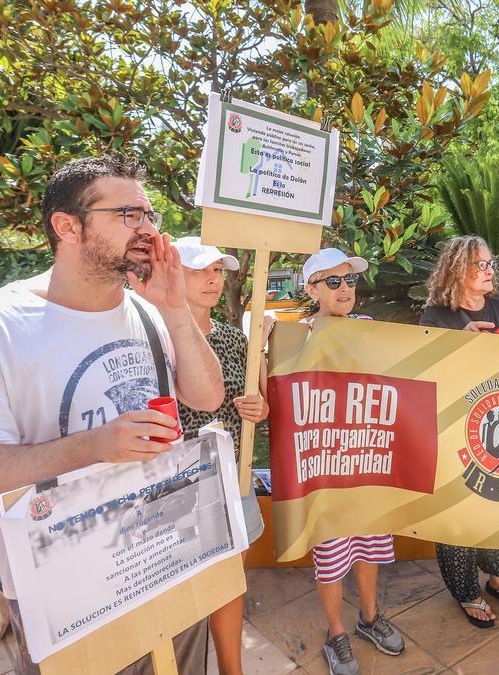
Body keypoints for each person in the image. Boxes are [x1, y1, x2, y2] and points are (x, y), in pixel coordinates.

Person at [0, 155, 226, 675]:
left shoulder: (148, 311)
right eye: (128, 214)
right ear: (67, 225)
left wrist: (174, 309)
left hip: (166, 557)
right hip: (65, 594)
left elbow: (208, 397)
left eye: (150, 215)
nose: (148, 230)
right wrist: (93, 445)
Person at [295, 247, 406, 675]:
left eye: (351, 280)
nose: (345, 289)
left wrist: (467, 335)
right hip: (325, 464)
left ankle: (369, 617)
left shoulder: (370, 328)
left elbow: (415, 363)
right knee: (331, 551)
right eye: (334, 281)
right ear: (312, 289)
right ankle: (336, 633)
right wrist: (270, 333)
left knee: (370, 544)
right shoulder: (298, 335)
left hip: (368, 456)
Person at [419, 235, 499, 630]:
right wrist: (459, 345)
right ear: (456, 269)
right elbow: (426, 377)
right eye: (480, 264)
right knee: (456, 516)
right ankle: (466, 591)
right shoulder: (435, 316)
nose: (489, 270)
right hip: (454, 433)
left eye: (490, 263)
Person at [172, 238, 268, 675]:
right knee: (179, 591)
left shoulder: (232, 338)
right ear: (173, 274)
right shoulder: (153, 337)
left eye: (217, 270)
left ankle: (233, 669)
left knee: (230, 584)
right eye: (200, 270)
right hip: (176, 489)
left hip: (233, 479)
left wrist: (259, 410)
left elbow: (258, 407)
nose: (213, 279)